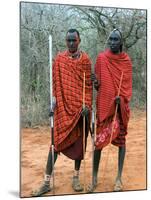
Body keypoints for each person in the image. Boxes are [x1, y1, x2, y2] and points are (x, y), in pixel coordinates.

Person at [32, 29, 92, 196]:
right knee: (55, 145)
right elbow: (55, 86)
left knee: (80, 145)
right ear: (65, 41)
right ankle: (46, 182)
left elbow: (87, 87)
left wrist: (86, 105)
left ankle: (76, 177)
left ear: (79, 40)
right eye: (68, 40)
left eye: (74, 40)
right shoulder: (59, 60)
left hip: (80, 110)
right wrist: (52, 104)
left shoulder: (85, 60)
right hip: (63, 111)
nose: (71, 43)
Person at [88, 29, 132, 192]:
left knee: (121, 142)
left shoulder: (126, 61)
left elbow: (127, 85)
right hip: (105, 106)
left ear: (121, 42)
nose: (113, 42)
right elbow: (99, 86)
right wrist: (95, 82)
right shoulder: (101, 58)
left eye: (116, 39)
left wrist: (122, 98)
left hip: (119, 109)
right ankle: (94, 177)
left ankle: (118, 178)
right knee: (98, 143)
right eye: (111, 39)